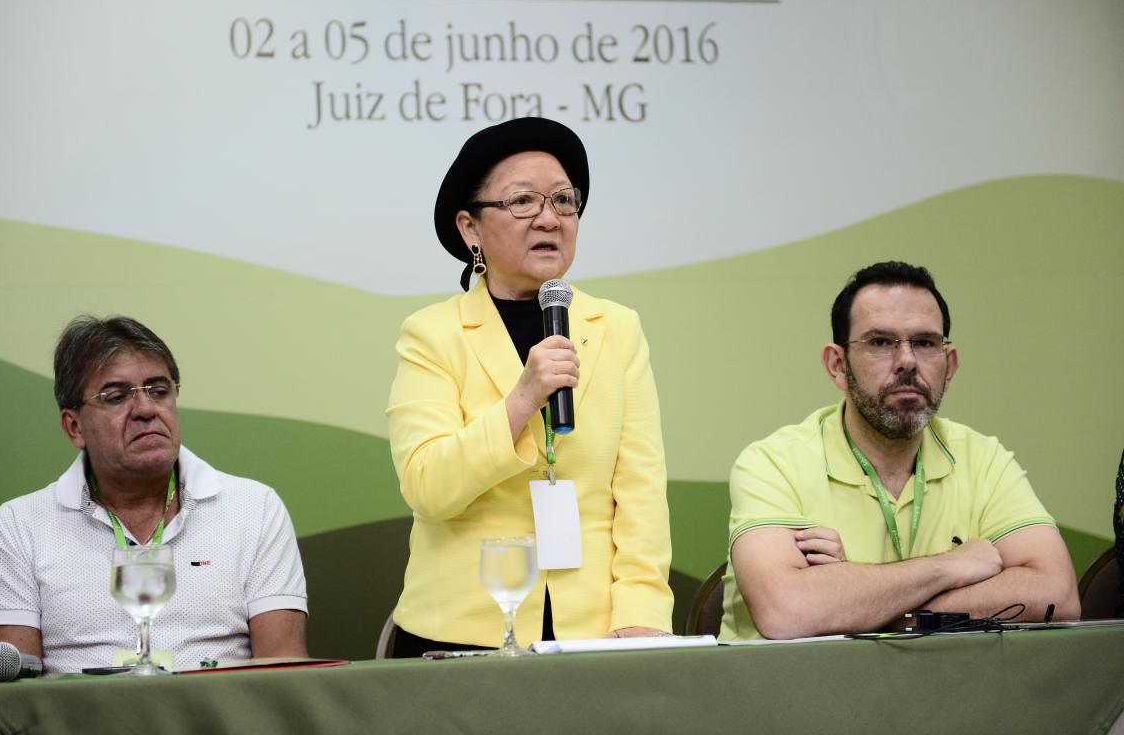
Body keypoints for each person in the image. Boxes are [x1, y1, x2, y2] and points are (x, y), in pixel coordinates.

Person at [386, 117, 673, 656]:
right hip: (460, 629)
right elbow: (428, 486)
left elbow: (640, 492)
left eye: (564, 201)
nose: (549, 218)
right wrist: (521, 401)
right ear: (470, 228)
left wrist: (641, 613)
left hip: (594, 632)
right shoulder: (432, 334)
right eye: (523, 201)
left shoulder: (616, 328)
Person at [719, 261, 1080, 640]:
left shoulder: (983, 458)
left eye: (925, 343)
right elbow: (787, 611)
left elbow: (1058, 593)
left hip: (943, 680)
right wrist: (950, 566)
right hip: (795, 681)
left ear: (949, 366)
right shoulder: (774, 463)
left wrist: (865, 605)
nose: (907, 361)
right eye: (880, 342)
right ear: (838, 365)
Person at [0, 316, 308, 674]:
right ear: (74, 427)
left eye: (159, 391)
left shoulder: (254, 508)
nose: (146, 410)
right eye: (116, 397)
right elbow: (17, 696)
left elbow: (282, 675)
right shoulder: (18, 526)